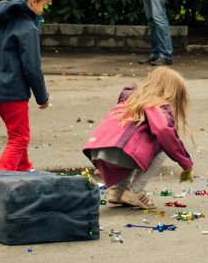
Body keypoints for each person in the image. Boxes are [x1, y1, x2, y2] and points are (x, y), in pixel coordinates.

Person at [83, 67, 194, 209]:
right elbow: (164, 131)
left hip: (100, 148)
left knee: (137, 142)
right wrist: (186, 164)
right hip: (121, 150)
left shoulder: (132, 96)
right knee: (161, 145)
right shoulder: (157, 104)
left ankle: (118, 190)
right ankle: (136, 190)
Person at [0, 0, 53, 171]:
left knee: (17, 134)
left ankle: (25, 170)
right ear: (34, 1)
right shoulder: (27, 28)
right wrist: (42, 97)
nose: (43, 10)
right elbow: (32, 67)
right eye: (43, 4)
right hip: (13, 92)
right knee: (19, 139)